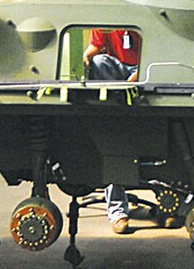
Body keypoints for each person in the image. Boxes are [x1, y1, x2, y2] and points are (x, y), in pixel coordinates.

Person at [84, 28, 142, 233]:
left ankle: (170, 208)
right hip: (117, 69)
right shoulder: (105, 19)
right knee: (113, 148)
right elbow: (96, 46)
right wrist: (87, 55)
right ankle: (118, 212)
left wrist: (141, 71)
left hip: (144, 66)